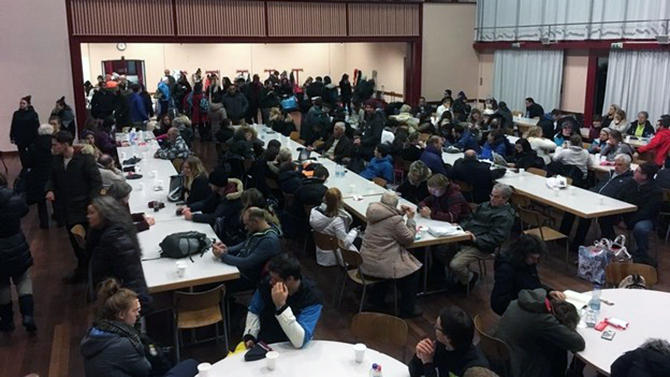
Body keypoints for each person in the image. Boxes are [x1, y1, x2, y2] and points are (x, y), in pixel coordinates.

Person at [81, 279, 198, 377]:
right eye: (135, 311)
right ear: (121, 315)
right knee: (191, 365)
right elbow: (145, 369)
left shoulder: (94, 334)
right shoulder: (125, 344)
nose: (138, 314)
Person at [46, 130, 102, 283]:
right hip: (66, 208)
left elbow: (96, 183)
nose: (53, 147)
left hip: (83, 208)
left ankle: (92, 272)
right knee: (75, 242)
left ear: (65, 145)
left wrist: (92, 203)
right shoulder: (56, 160)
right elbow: (51, 178)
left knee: (87, 242)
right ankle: (83, 270)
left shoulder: (85, 160)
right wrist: (50, 189)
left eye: (55, 145)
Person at [494, 288, 585, 377]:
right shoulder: (543, 320)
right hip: (517, 367)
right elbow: (578, 343)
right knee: (559, 349)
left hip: (498, 356)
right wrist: (567, 329)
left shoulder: (519, 302)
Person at [360, 193, 422, 317]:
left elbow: (387, 221)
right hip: (381, 265)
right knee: (413, 273)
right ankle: (407, 309)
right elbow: (409, 239)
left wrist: (399, 213)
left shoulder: (372, 212)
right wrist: (410, 219)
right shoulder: (395, 221)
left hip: (365, 261)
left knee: (395, 265)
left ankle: (376, 300)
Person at [243, 254, 322, 349]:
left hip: (293, 346)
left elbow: (299, 341)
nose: (270, 282)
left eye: (275, 279)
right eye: (271, 277)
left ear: (290, 279)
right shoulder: (266, 285)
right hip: (266, 342)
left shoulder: (312, 297)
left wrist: (281, 307)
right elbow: (254, 310)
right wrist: (250, 335)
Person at [560, 154, 635, 249]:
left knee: (585, 215)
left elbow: (621, 198)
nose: (616, 167)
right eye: (615, 164)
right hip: (593, 198)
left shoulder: (629, 180)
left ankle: (577, 244)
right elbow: (598, 186)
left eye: (620, 165)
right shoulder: (609, 174)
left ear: (627, 166)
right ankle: (562, 236)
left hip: (609, 206)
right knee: (570, 209)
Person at [86, 196, 150, 308]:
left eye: (92, 213)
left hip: (122, 302)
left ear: (104, 214)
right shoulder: (104, 234)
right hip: (111, 294)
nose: (88, 216)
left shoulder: (115, 239)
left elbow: (132, 275)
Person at [449, 184, 515, 289]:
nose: (492, 199)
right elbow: (469, 218)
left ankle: (469, 279)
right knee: (441, 250)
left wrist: (475, 239)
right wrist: (460, 226)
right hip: (465, 237)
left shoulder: (505, 216)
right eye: (491, 195)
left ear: (505, 199)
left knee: (456, 265)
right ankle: (454, 277)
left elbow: (496, 238)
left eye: (496, 197)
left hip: (482, 246)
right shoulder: (484, 205)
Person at [603, 162, 662, 266]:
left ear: (644, 176)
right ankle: (611, 244)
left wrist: (628, 223)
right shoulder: (630, 183)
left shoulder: (656, 191)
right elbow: (618, 199)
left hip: (644, 218)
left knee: (641, 228)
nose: (634, 172)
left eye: (637, 171)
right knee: (604, 217)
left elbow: (647, 212)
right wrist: (618, 219)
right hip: (627, 214)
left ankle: (641, 253)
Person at [491, 235, 566, 316]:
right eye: (533, 258)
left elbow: (532, 284)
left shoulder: (527, 263)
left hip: (524, 303)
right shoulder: (506, 269)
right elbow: (499, 303)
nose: (536, 261)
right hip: (513, 309)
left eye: (537, 258)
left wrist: (549, 291)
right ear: (522, 255)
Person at [212, 207, 281, 292]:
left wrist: (223, 256)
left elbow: (247, 263)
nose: (245, 228)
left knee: (214, 283)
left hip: (248, 277)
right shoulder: (260, 230)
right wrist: (227, 249)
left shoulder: (268, 241)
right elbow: (244, 244)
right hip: (240, 268)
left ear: (255, 222)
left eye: (247, 224)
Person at [0, 173, 37, 332]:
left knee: (2, 285)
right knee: (23, 279)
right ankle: (28, 315)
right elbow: (24, 210)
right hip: (16, 242)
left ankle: (7, 321)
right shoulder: (12, 198)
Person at [409, 306, 489, 377]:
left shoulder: (474, 369)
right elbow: (414, 372)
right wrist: (419, 357)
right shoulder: (442, 345)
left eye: (437, 327)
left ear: (447, 337)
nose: (434, 328)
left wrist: (428, 363)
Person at [309, 188, 359, 267]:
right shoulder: (337, 221)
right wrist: (355, 232)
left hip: (320, 252)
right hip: (334, 256)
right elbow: (344, 243)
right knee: (360, 239)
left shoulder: (314, 211)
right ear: (339, 200)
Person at [25, 124, 54, 228]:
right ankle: (59, 219)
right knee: (55, 195)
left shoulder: (34, 145)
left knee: (41, 200)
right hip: (52, 172)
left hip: (38, 174)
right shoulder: (55, 144)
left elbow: (28, 162)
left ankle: (44, 223)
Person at [10, 95, 40, 168]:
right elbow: (13, 125)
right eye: (20, 103)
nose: (21, 105)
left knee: (31, 155)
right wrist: (11, 136)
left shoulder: (33, 114)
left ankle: (32, 168)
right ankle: (25, 168)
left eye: (23, 103)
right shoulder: (16, 114)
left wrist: (38, 138)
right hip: (20, 138)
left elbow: (37, 126)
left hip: (31, 139)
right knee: (22, 155)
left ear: (28, 105)